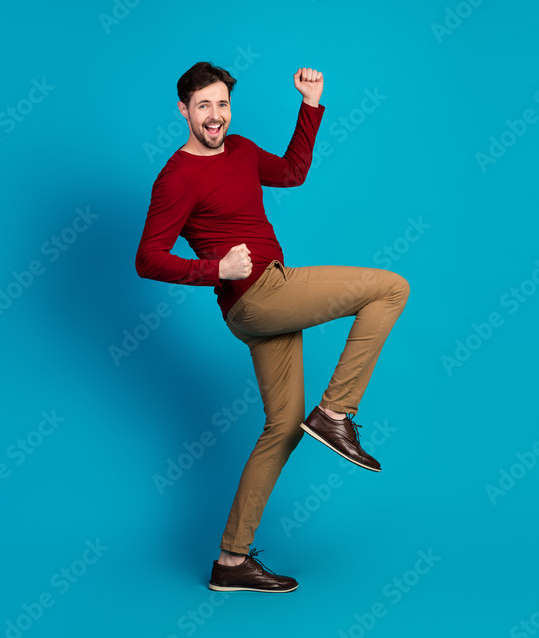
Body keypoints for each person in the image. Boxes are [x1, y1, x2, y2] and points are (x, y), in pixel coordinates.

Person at [134, 61, 410, 593]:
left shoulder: (238, 150)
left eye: (222, 105)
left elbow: (291, 173)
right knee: (390, 287)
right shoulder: (176, 177)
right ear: (183, 110)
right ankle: (335, 413)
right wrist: (216, 269)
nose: (215, 117)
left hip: (269, 295)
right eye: (204, 106)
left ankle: (231, 562)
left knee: (282, 429)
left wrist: (310, 106)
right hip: (258, 296)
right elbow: (147, 259)